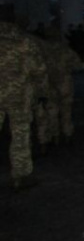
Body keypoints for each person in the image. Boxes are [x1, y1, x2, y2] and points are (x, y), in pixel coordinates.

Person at [0, 19, 48, 191]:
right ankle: (21, 175)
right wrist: (42, 92)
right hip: (19, 95)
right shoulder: (24, 43)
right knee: (20, 134)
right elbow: (39, 70)